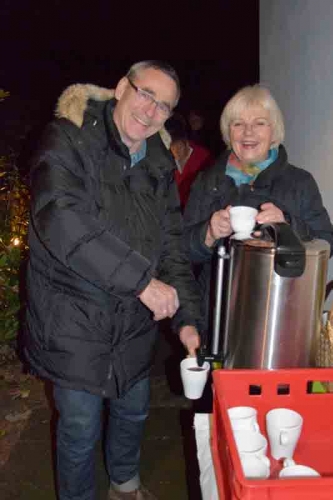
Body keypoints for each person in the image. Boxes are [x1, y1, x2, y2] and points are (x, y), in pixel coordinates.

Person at [25, 60, 202, 500]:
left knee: (133, 411)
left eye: (164, 106)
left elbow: (172, 245)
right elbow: (60, 218)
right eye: (145, 94)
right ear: (122, 87)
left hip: (133, 326)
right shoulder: (68, 136)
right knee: (80, 428)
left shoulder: (159, 162)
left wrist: (188, 320)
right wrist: (143, 283)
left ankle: (124, 485)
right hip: (73, 319)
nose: (150, 110)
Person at [184, 84, 333, 329]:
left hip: (283, 316)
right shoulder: (207, 180)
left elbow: (326, 242)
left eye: (259, 123)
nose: (248, 132)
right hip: (217, 318)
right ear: (228, 131)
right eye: (238, 123)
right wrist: (208, 233)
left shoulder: (299, 182)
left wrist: (288, 226)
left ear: (273, 130)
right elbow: (180, 251)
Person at [166, 113, 214, 210]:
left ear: (185, 140)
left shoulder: (204, 157)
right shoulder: (164, 158)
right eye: (170, 148)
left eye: (178, 146)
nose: (175, 152)